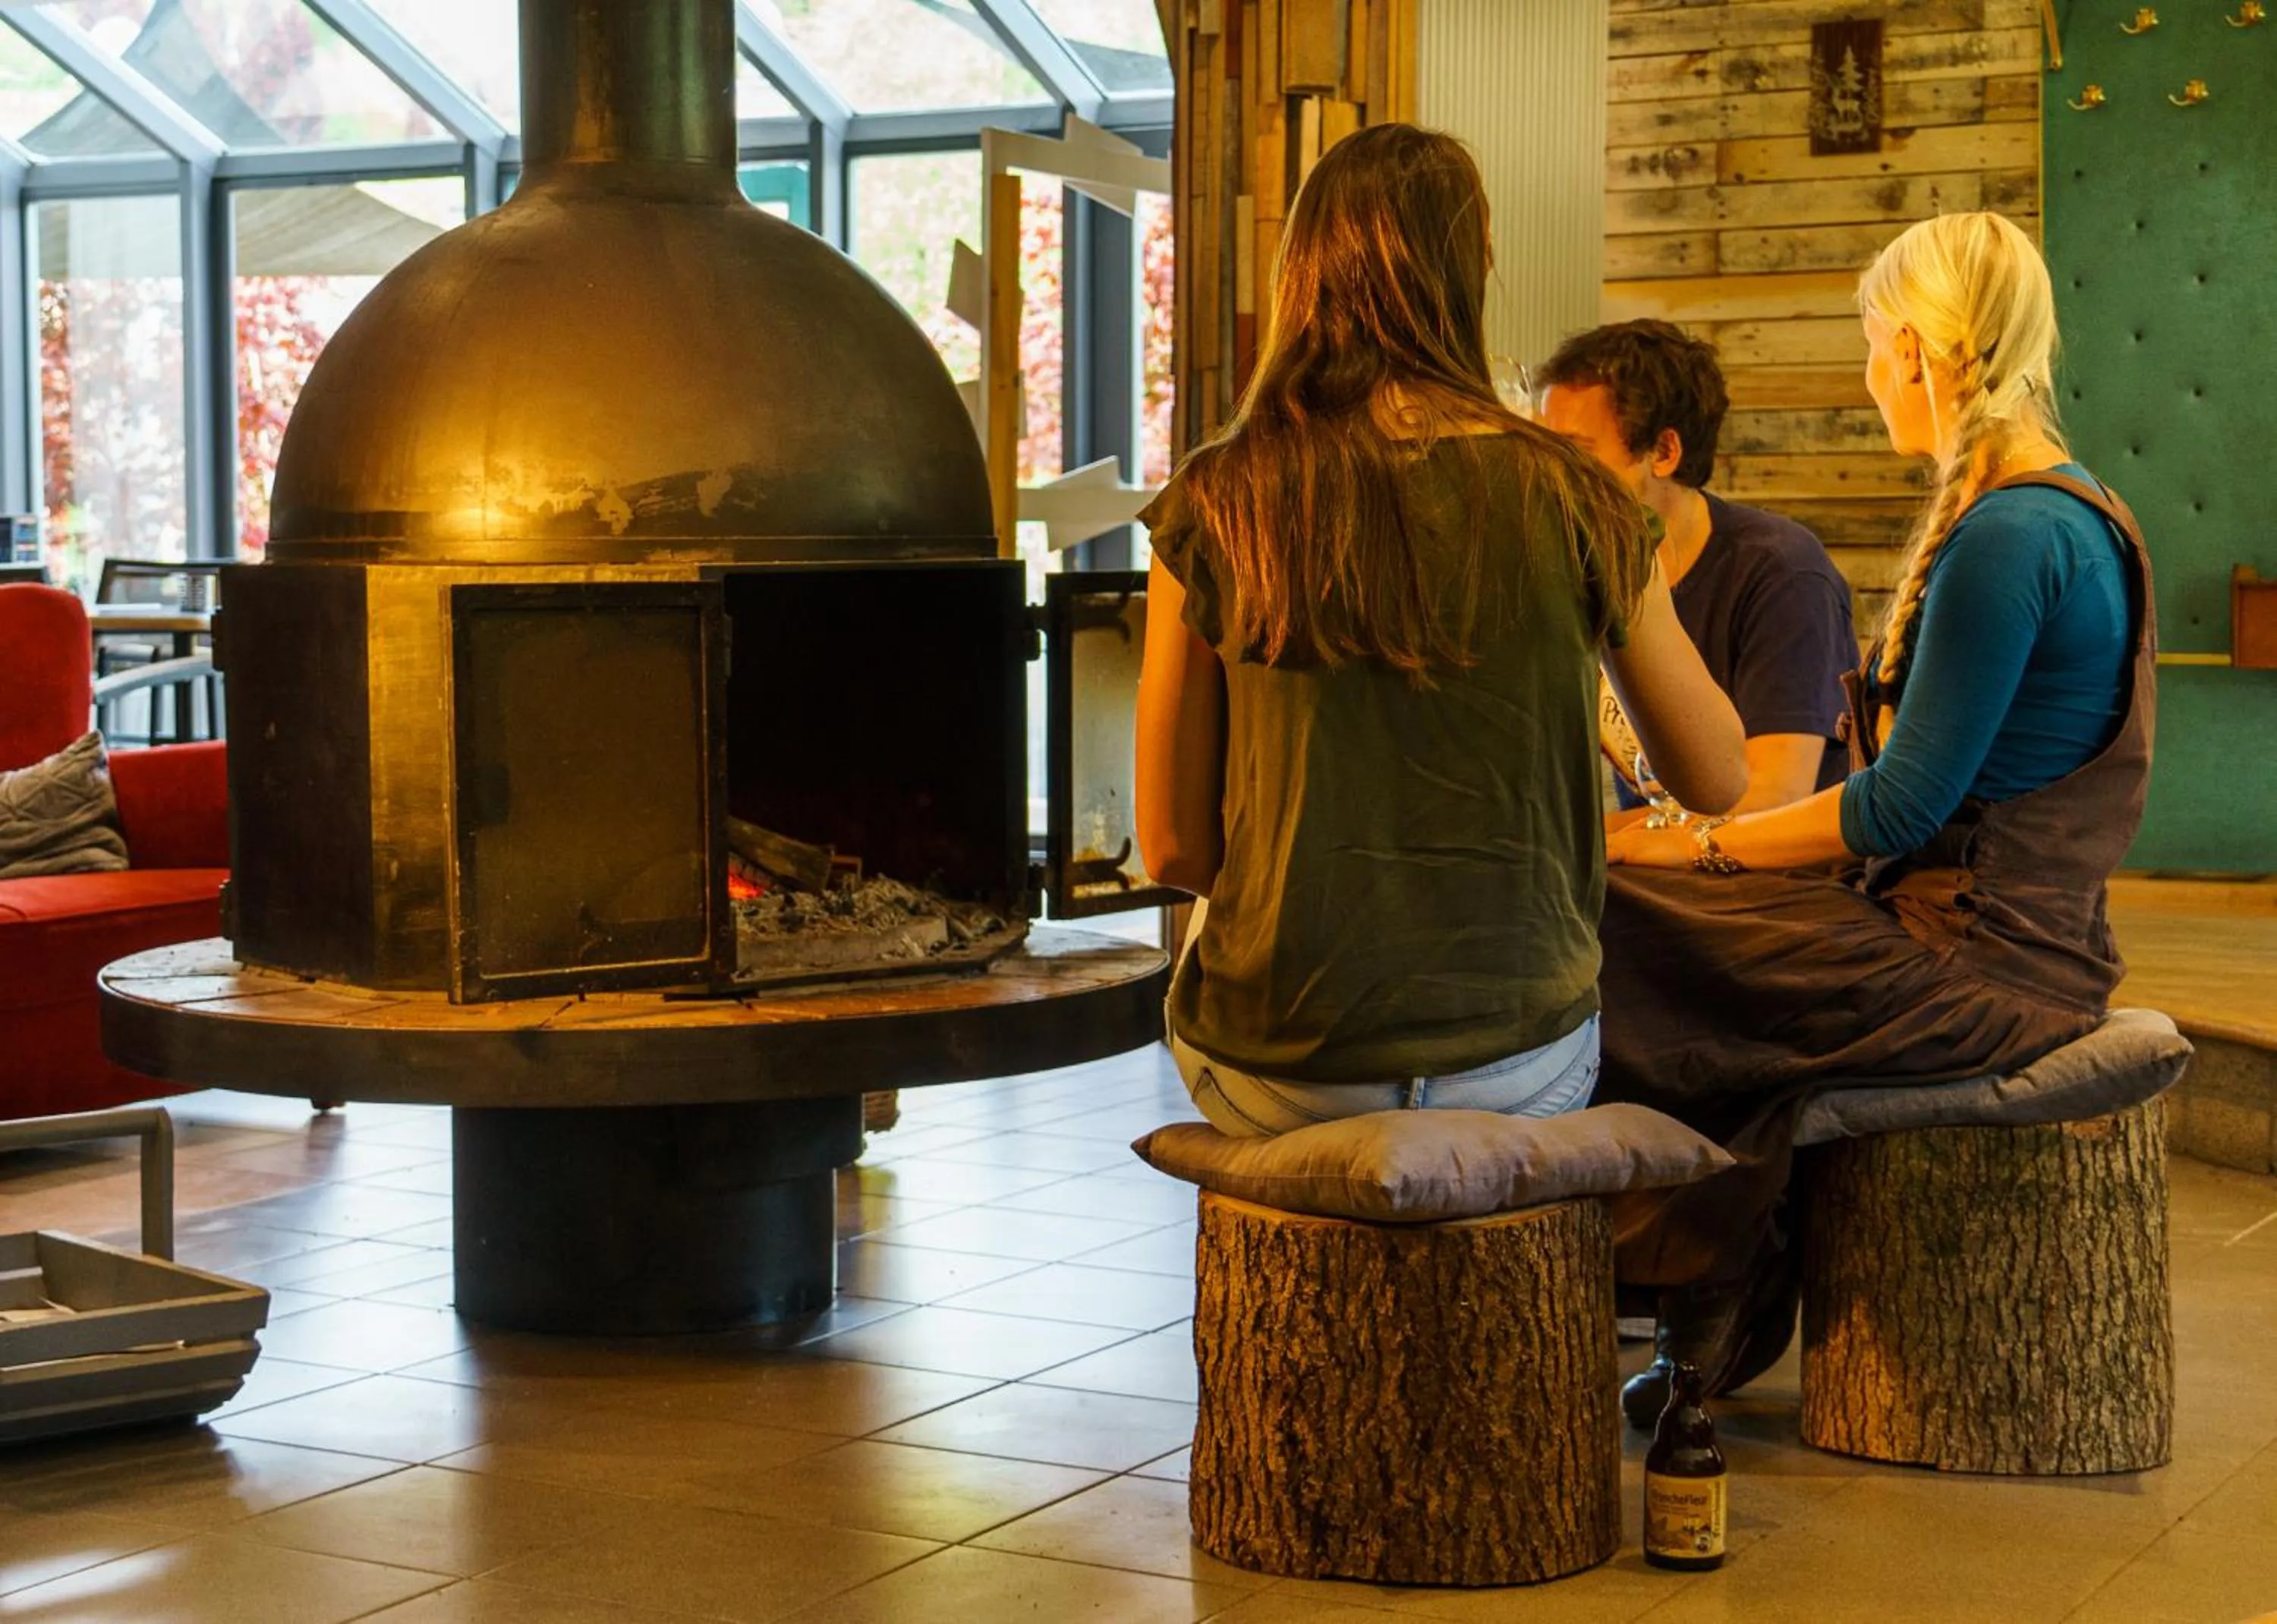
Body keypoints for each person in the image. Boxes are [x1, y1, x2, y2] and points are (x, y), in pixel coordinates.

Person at [1594, 211, 2154, 1426]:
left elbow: (1903, 802)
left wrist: (1703, 841)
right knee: (1669, 920)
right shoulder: (2070, 504)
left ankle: (1675, 1290)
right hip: (2012, 944)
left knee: (1618, 927)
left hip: (1983, 965)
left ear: (1915, 348)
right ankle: (1706, 1291)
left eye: (1868, 342)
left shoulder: (2011, 534)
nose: (1865, 373)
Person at [1132, 124, 1746, 1138]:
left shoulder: (1216, 500)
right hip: (1520, 1065)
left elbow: (1171, 844)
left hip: (1280, 1075)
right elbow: (1717, 778)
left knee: (1221, 934)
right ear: (1471, 275)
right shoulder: (1578, 495)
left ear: (1303, 276)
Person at [1535, 320, 1857, 821]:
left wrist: (1608, 841)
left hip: (1772, 886)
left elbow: (1773, 797)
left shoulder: (1781, 573)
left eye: (1576, 454)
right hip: (1663, 876)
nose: (1548, 476)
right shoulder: (1573, 566)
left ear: (1664, 452)